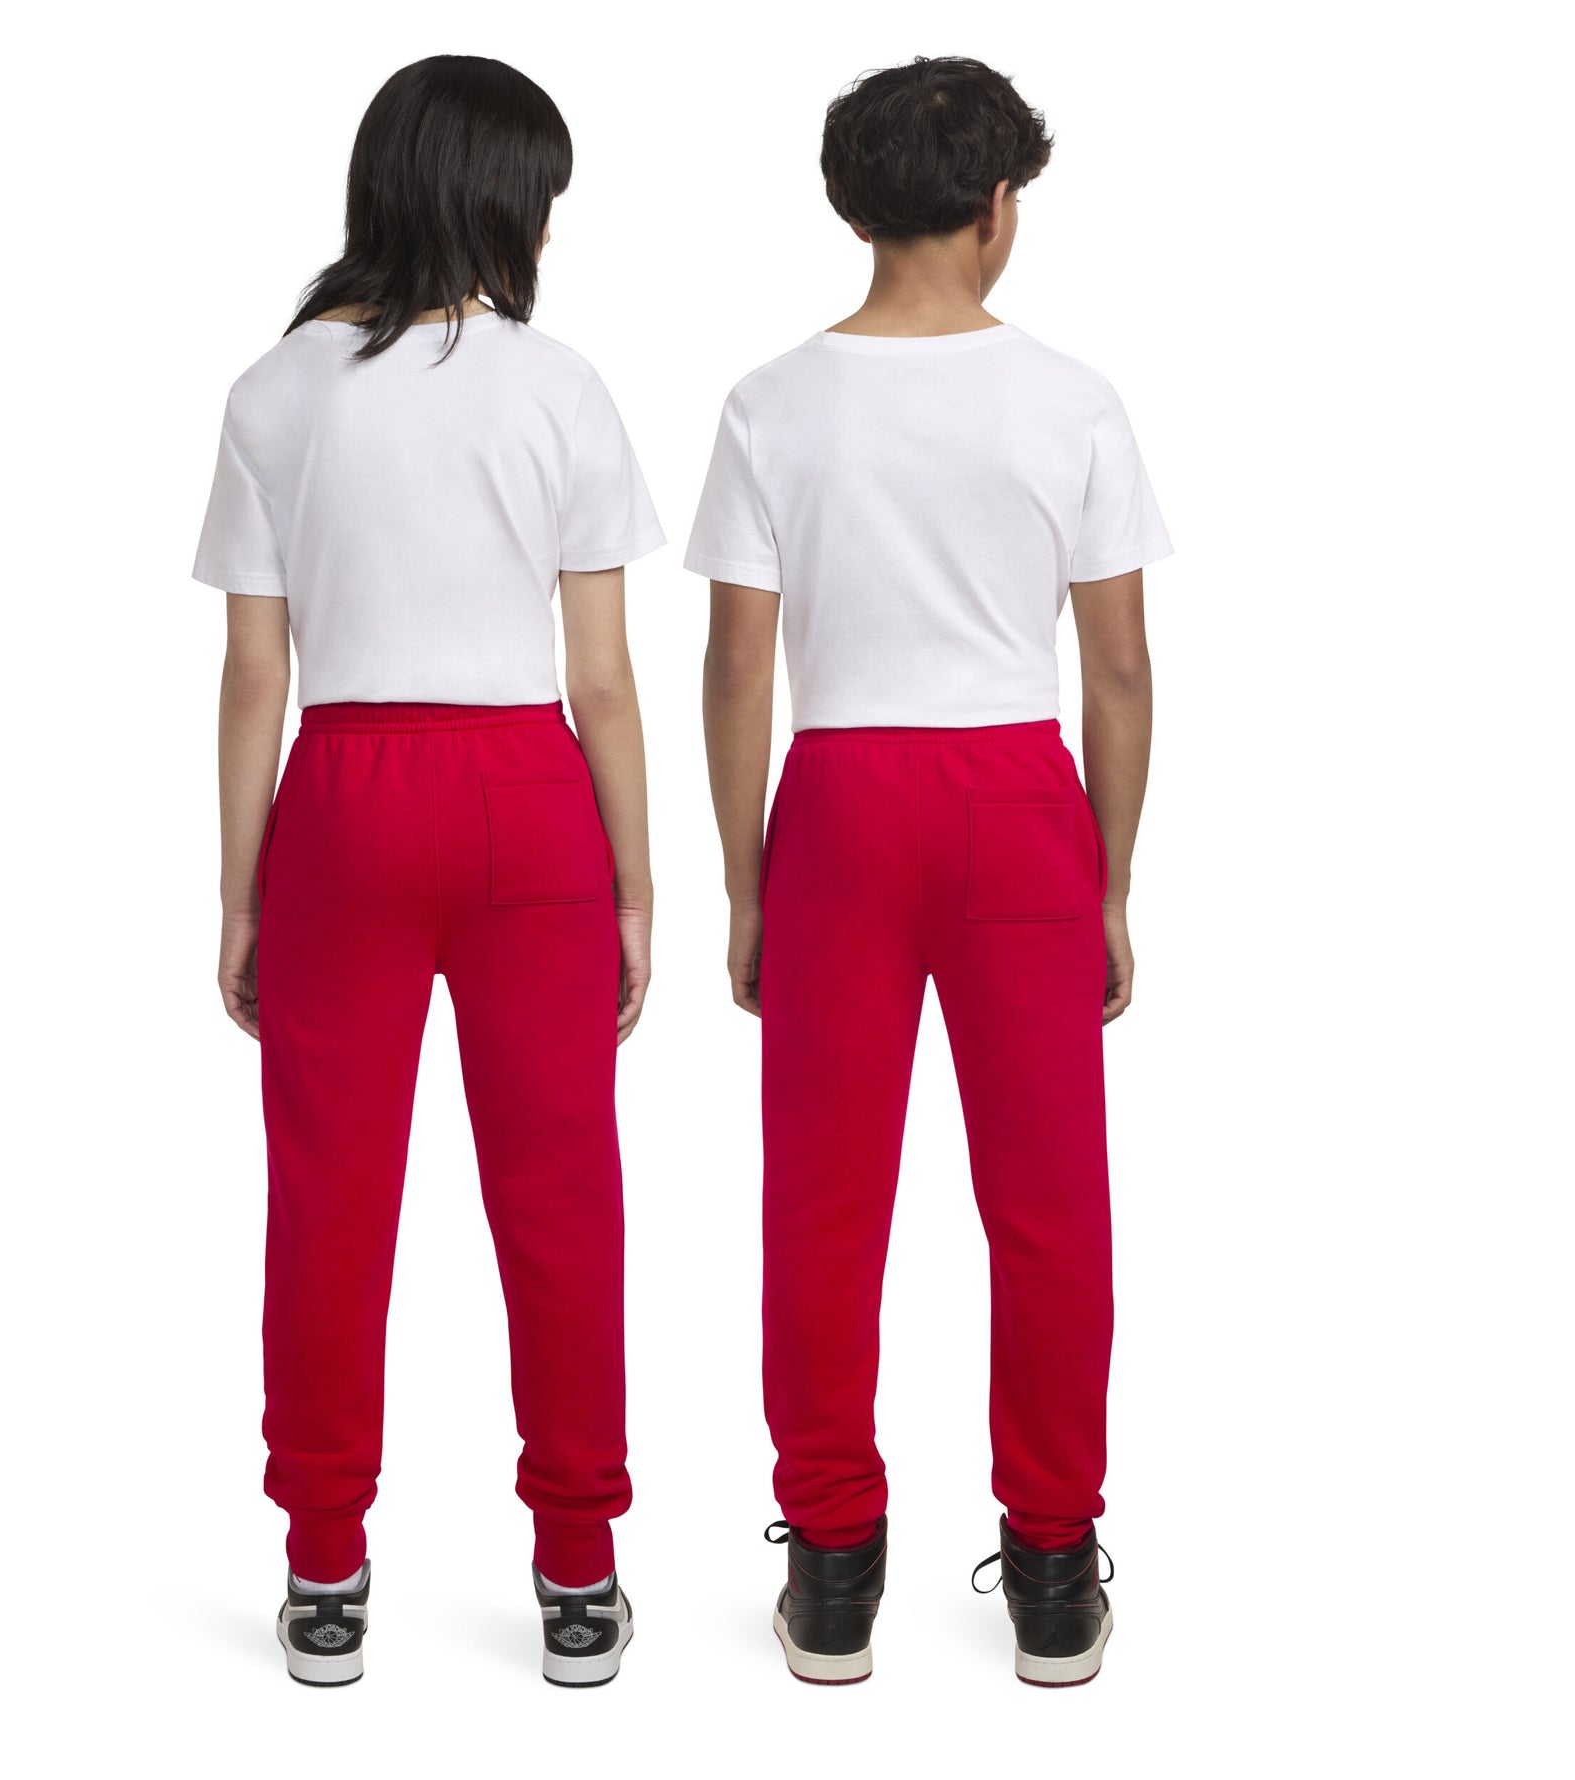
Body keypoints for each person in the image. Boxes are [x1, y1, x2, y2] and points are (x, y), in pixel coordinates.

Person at [691, 55, 1169, 1688]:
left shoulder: (772, 402)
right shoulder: (1071, 399)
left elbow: (737, 664)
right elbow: (1117, 667)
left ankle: (833, 1572)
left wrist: (747, 880)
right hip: (1018, 798)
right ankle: (1053, 1570)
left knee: (823, 1201)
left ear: (851, 210)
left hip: (839, 802)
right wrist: (1110, 881)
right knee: (1050, 1203)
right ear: (999, 207)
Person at [193, 55, 660, 1689]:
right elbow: (604, 680)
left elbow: (256, 675)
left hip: (342, 800)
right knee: (561, 1193)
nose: (548, 226)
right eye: (540, 195)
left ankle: (324, 1569)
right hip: (529, 797)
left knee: (329, 1193)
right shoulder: (559, 387)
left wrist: (241, 889)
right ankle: (579, 1573)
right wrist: (636, 886)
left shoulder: (277, 390)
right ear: (498, 199)